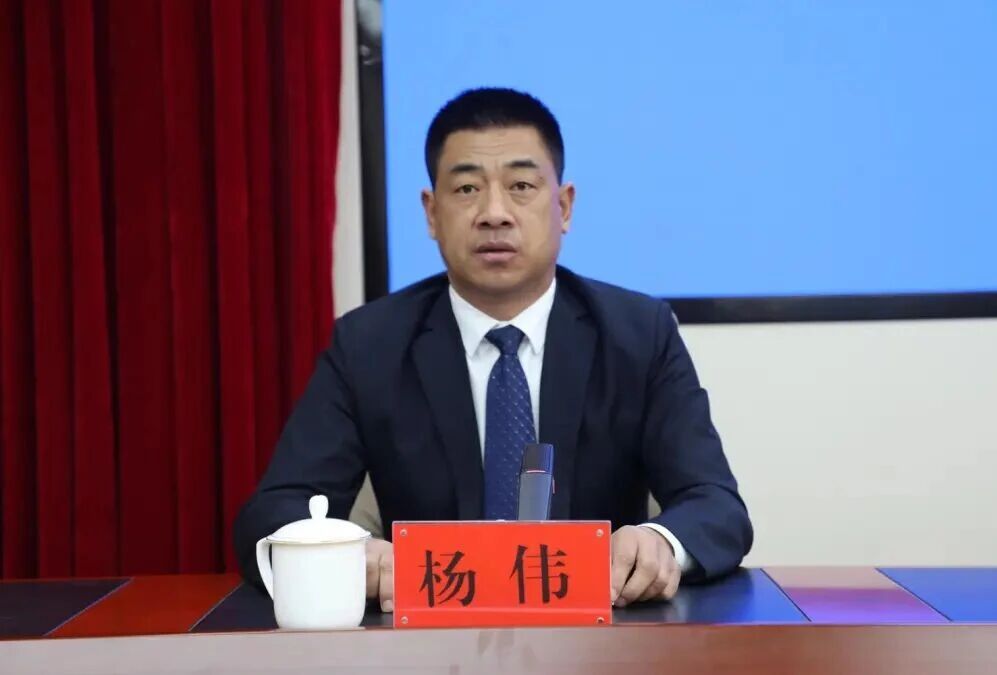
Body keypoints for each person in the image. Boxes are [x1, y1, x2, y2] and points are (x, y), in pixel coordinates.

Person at [234, 87, 752, 613]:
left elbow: (715, 505)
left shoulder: (638, 334)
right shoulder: (369, 345)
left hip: (601, 634)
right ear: (431, 213)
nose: (494, 213)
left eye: (521, 186)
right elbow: (273, 512)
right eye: (466, 189)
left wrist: (659, 543)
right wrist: (346, 555)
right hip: (427, 638)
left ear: (564, 206)